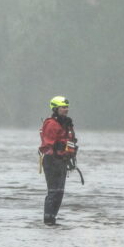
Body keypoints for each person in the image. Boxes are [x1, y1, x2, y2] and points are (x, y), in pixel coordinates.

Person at [39, 96, 77, 226]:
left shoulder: (66, 123)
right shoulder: (51, 124)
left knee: (59, 194)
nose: (66, 109)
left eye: (67, 107)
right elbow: (49, 145)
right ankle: (48, 222)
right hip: (52, 161)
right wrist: (59, 153)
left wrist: (68, 157)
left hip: (62, 162)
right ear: (56, 108)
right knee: (53, 193)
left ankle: (52, 220)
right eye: (63, 107)